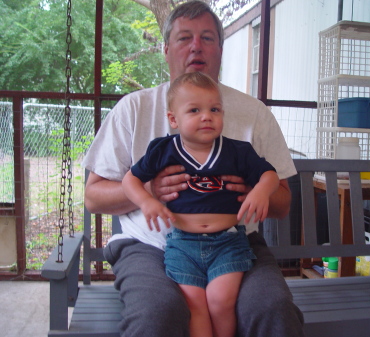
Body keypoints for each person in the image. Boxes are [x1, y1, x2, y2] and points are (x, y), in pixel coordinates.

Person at [83, 1, 305, 336]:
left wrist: (251, 191)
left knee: (273, 309)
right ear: (166, 48)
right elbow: (93, 197)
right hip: (149, 246)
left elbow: (284, 202)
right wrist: (149, 192)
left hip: (235, 240)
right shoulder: (135, 108)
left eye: (207, 38)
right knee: (157, 314)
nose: (196, 46)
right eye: (185, 37)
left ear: (221, 48)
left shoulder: (253, 113)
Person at [122, 71, 280, 337]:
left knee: (220, 301)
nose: (206, 116)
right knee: (194, 305)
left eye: (214, 109)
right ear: (173, 119)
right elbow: (130, 180)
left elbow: (270, 175)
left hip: (227, 243)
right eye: (194, 110)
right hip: (182, 244)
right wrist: (146, 201)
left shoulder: (237, 151)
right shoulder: (163, 150)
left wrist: (261, 191)